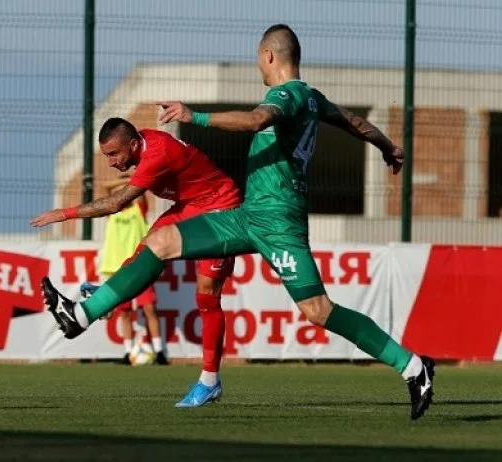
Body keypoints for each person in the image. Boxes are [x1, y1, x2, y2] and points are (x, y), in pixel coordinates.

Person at [39, 24, 435, 420]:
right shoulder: (312, 98)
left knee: (317, 310)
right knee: (160, 242)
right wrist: (388, 146)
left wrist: (196, 116)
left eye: (257, 58)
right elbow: (353, 121)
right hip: (248, 216)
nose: (257, 66)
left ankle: (412, 366)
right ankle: (82, 315)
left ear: (269, 56)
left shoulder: (287, 94)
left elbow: (256, 120)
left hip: (279, 221)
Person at [31, 117, 243, 406]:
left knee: (207, 296)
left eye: (114, 154)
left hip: (221, 208)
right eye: (105, 155)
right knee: (146, 250)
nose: (110, 162)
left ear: (132, 145)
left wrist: (65, 213)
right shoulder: (142, 144)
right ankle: (106, 301)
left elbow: (116, 204)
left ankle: (209, 381)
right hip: (190, 205)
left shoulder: (156, 154)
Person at [90, 174, 167, 365]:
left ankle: (159, 352)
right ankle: (127, 352)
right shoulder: (113, 214)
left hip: (139, 267)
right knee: (124, 313)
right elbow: (104, 188)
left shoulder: (138, 212)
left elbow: (141, 193)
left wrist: (131, 183)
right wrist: (123, 181)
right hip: (117, 270)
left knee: (149, 308)